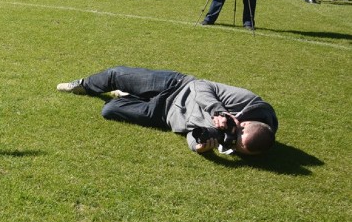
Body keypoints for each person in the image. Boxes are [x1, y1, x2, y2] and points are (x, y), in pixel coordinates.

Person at [57, 66, 278, 156]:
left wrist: (199, 146)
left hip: (167, 116)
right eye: (237, 135)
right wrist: (218, 111)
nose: (232, 139)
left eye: (236, 148)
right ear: (247, 123)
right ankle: (83, 84)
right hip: (177, 86)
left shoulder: (232, 138)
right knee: (116, 75)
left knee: (110, 109)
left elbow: (193, 132)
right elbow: (201, 86)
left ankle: (129, 96)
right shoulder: (247, 101)